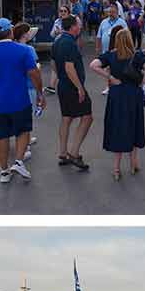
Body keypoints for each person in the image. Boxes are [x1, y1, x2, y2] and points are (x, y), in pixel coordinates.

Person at [0, 16, 42, 185]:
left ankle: (4, 171)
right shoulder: (24, 51)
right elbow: (34, 74)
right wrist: (40, 93)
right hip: (20, 101)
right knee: (23, 131)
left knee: (1, 137)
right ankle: (19, 161)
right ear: (11, 31)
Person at [90, 25, 145, 179]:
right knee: (134, 125)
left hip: (117, 94)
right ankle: (133, 163)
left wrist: (110, 78)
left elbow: (93, 65)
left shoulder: (110, 56)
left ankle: (116, 169)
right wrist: (141, 83)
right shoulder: (137, 56)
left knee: (118, 127)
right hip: (133, 94)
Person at [50, 12, 93, 171]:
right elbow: (69, 67)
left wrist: (60, 79)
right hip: (72, 86)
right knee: (87, 117)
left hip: (63, 85)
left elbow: (54, 64)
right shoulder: (69, 43)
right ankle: (74, 153)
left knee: (66, 118)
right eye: (78, 24)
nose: (80, 27)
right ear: (73, 27)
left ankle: (63, 153)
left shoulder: (57, 41)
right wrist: (79, 88)